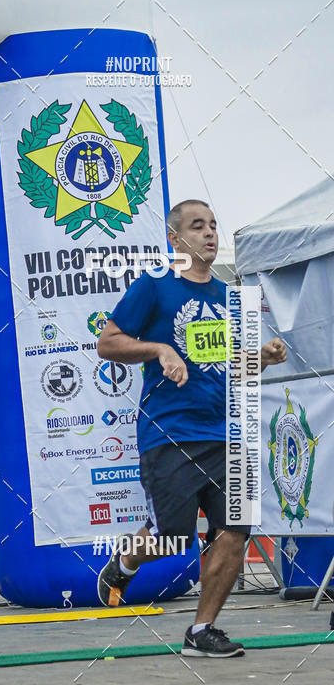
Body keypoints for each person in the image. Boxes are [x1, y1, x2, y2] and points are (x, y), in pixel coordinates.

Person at [96, 199, 287, 658]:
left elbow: (236, 367)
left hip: (227, 436)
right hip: (172, 432)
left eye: (214, 225)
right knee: (176, 537)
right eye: (197, 226)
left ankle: (202, 631)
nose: (209, 233)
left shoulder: (228, 297)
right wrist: (159, 348)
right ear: (175, 238)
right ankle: (124, 563)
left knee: (234, 531)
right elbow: (107, 342)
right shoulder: (155, 287)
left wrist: (263, 357)